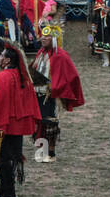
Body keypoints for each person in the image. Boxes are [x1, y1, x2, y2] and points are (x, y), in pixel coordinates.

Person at [0, 41, 41, 197]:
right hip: (17, 125)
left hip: (5, 124)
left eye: (1, 56)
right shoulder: (21, 76)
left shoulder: (4, 77)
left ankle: (8, 194)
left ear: (7, 61)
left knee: (3, 159)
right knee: (11, 157)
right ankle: (4, 189)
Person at [30, 22, 84, 163]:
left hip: (51, 95)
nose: (43, 39)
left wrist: (56, 87)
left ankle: (51, 153)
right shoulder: (41, 53)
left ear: (53, 39)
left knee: (50, 123)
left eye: (46, 37)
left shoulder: (60, 56)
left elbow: (72, 76)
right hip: (37, 93)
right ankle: (41, 150)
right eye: (42, 36)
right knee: (39, 122)